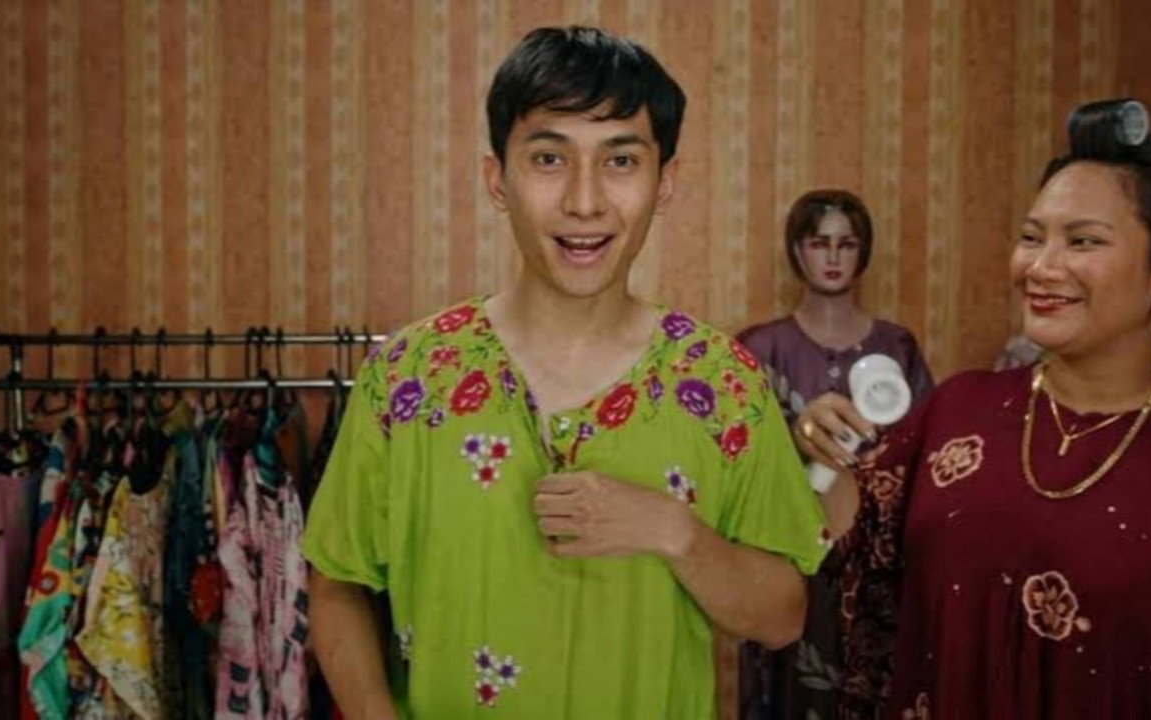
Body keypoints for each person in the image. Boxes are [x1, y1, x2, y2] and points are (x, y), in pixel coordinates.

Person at [302, 26, 829, 718]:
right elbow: (336, 581)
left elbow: (782, 617)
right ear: (498, 179)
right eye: (549, 158)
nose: (585, 202)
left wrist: (677, 533)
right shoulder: (408, 376)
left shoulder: (724, 383)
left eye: (621, 161)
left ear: (665, 183)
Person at [798, 100, 1151, 718]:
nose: (1041, 268)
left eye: (1083, 241)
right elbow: (857, 569)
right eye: (1031, 237)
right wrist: (823, 453)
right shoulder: (957, 411)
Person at [736, 190, 933, 719]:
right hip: (787, 556)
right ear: (796, 250)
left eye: (846, 244)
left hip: (876, 568)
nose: (832, 256)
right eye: (819, 243)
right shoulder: (760, 348)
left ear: (863, 252)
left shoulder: (897, 347)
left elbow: (926, 455)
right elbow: (736, 463)